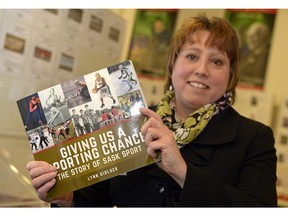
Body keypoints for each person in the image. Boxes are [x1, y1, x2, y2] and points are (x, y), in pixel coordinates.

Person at [26, 14, 277, 207]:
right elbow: (103, 196)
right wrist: (70, 197)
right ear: (172, 64)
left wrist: (182, 171)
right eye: (191, 56)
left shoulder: (254, 137)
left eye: (217, 61)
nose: (202, 69)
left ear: (231, 75)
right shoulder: (132, 119)